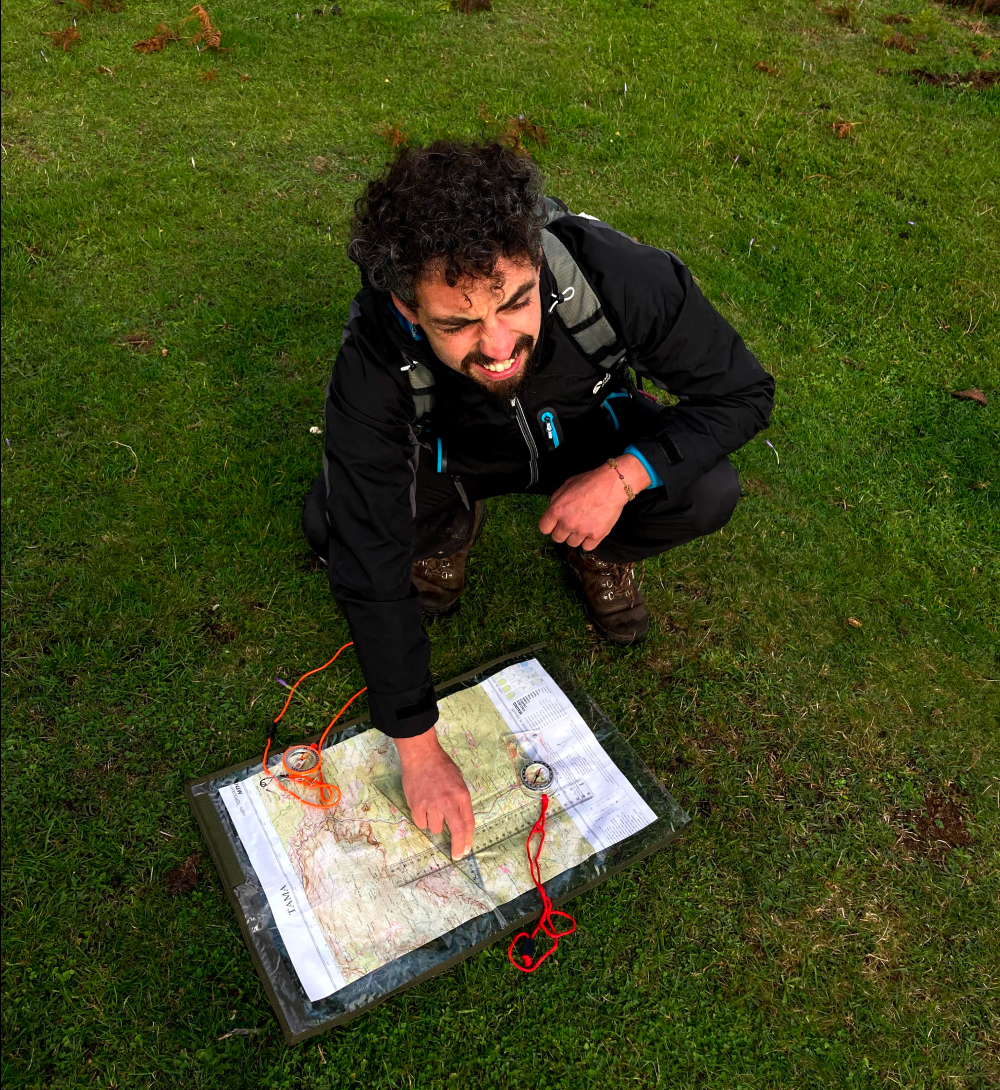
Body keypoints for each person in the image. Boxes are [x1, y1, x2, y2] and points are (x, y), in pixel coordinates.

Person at [302, 140, 774, 860]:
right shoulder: (373, 351)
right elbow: (367, 550)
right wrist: (417, 746)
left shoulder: (612, 271)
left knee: (707, 488)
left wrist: (624, 476)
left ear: (536, 262)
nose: (497, 346)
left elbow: (743, 391)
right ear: (407, 307)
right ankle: (447, 530)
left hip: (588, 434)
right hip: (457, 455)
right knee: (335, 522)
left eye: (516, 302)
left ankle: (600, 546)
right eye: (457, 324)